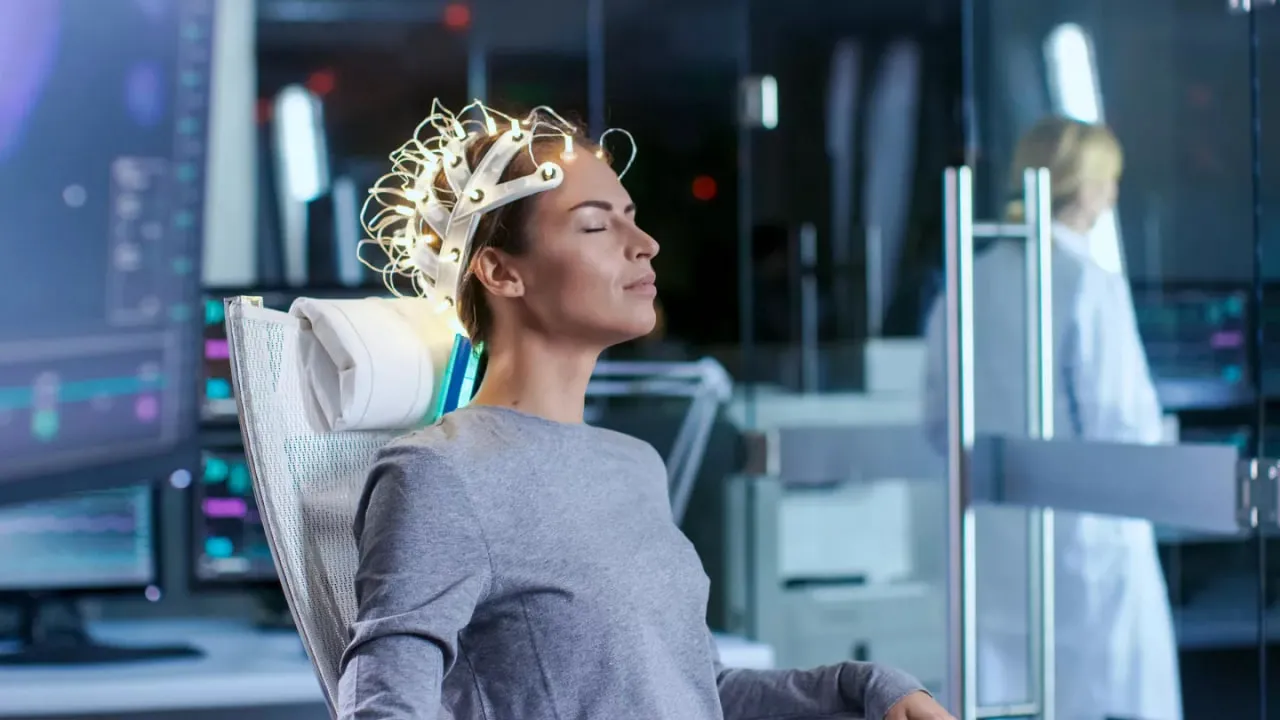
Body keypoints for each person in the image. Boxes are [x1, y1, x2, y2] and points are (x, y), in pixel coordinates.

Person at [338, 106, 956, 720]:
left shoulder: (634, 464)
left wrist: (867, 688)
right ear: (501, 271)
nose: (646, 245)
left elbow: (697, 691)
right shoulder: (441, 475)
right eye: (595, 226)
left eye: (632, 219)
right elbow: (383, 708)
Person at [921, 116, 1181, 719]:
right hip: (1089, 551)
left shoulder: (967, 281)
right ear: (1084, 186)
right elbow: (1122, 431)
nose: (1113, 194)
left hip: (994, 551)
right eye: (1108, 180)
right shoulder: (1087, 282)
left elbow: (937, 422)